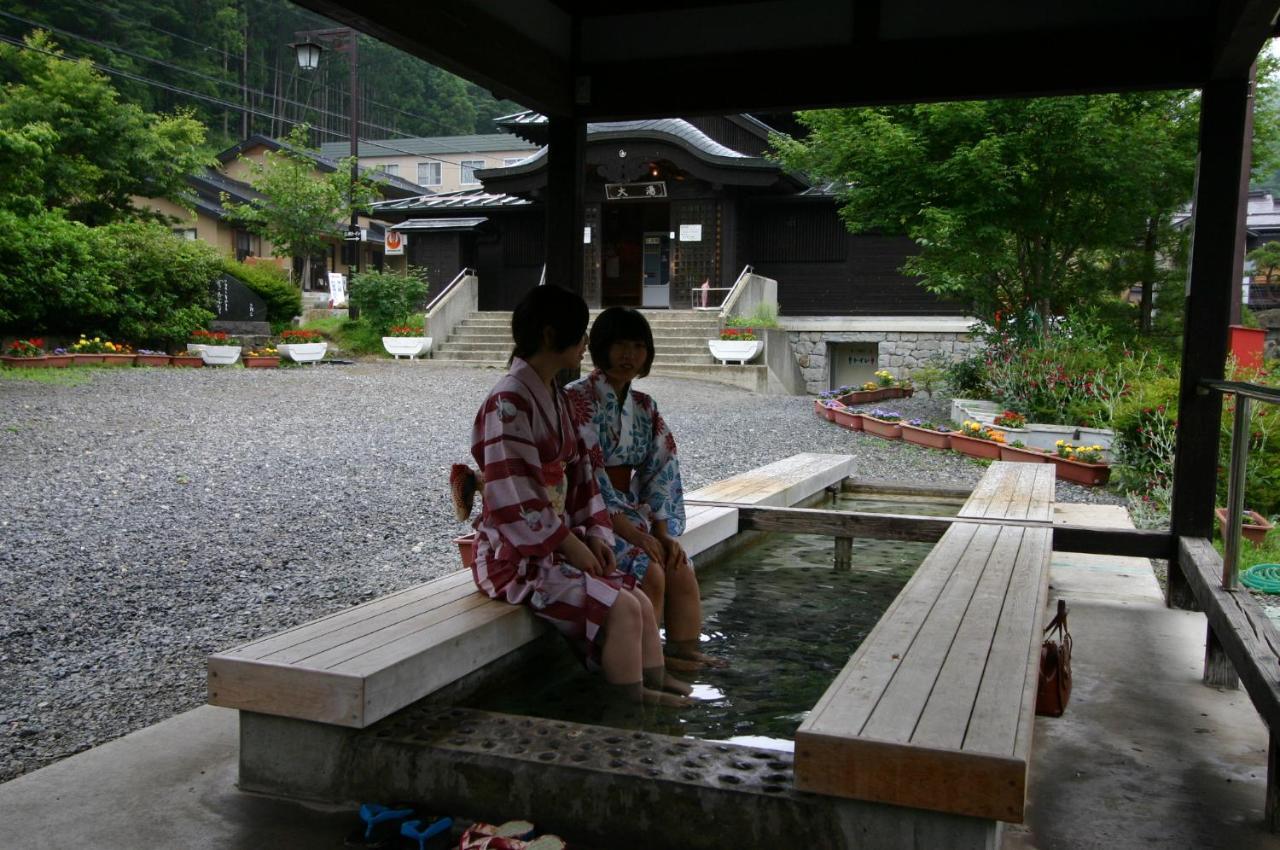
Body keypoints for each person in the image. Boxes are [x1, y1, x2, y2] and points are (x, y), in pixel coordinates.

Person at [460, 285, 690, 705]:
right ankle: (629, 703)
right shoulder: (507, 401)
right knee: (619, 606)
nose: (586, 344)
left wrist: (596, 539)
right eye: (581, 334)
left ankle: (650, 681)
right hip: (515, 555)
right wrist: (570, 545)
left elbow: (584, 481)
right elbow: (516, 493)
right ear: (551, 336)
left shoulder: (553, 397)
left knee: (635, 596)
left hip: (560, 543)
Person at [564, 307, 722, 669]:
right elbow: (588, 474)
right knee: (648, 568)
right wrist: (631, 534)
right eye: (619, 345)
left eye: (638, 346)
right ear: (600, 348)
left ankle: (683, 651)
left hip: (633, 512)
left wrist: (663, 533)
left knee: (679, 564)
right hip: (589, 516)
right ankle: (646, 665)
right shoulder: (575, 399)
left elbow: (661, 468)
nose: (628, 355)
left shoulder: (645, 406)